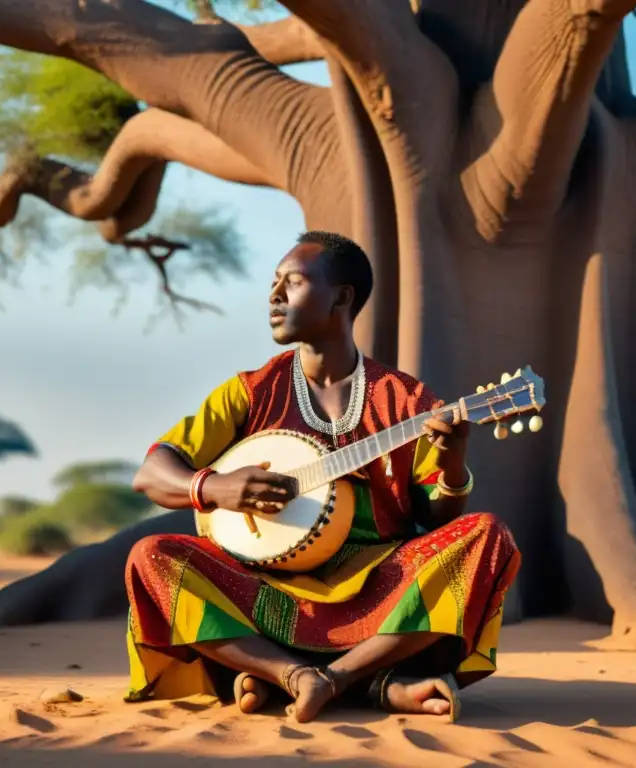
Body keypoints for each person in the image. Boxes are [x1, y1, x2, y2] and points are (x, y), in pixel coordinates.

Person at [124, 231, 521, 723]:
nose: (273, 296)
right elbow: (152, 473)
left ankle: (317, 678)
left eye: (291, 281)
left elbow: (435, 516)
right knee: (152, 556)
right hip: (265, 585)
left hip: (378, 586)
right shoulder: (248, 392)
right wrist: (214, 487)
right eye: (273, 283)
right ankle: (334, 680)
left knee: (488, 536)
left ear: (342, 296)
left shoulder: (407, 401)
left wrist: (454, 462)